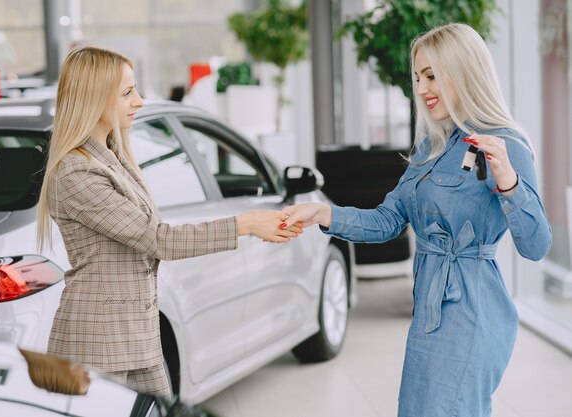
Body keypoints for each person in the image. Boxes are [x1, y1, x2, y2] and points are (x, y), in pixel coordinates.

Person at [281, 23, 551, 417]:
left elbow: (536, 245)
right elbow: (387, 220)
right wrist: (325, 213)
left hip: (473, 313)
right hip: (427, 312)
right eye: (418, 77)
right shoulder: (432, 146)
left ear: (464, 72)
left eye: (432, 76)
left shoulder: (505, 143)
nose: (422, 88)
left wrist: (508, 180)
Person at [36, 46, 300, 399]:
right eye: (128, 92)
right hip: (97, 340)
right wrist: (246, 224)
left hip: (138, 333)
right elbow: (158, 239)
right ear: (93, 98)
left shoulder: (112, 157)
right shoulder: (77, 171)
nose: (140, 101)